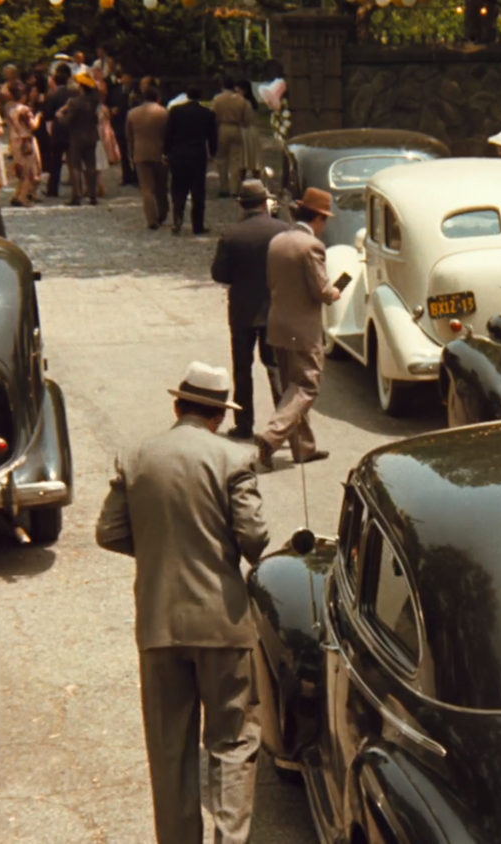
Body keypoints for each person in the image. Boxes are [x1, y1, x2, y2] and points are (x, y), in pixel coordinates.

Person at [95, 361, 268, 844]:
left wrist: (158, 548)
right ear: (219, 415)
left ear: (178, 407)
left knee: (169, 751)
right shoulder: (234, 458)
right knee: (233, 741)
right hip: (223, 625)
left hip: (159, 626)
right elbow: (254, 539)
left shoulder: (136, 456)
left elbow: (108, 531)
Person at [253, 188, 342, 469]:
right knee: (306, 386)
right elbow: (321, 291)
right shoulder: (311, 246)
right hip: (303, 328)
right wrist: (335, 292)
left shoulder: (277, 241)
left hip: (278, 323)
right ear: (318, 218)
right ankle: (271, 435)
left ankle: (303, 448)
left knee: (292, 387)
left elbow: (271, 281)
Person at [211, 179, 289, 438]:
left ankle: (244, 424)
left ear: (241, 205)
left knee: (242, 369)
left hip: (242, 310)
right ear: (265, 202)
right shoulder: (282, 230)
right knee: (276, 368)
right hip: (274, 308)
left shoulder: (231, 235)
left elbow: (219, 274)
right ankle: (283, 426)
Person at [163, 87, 217, 235]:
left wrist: (166, 152)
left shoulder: (175, 111)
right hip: (197, 154)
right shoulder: (207, 114)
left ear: (187, 96)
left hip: (178, 153)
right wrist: (213, 153)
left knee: (178, 188)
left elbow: (169, 133)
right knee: (198, 191)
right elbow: (212, 136)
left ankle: (177, 218)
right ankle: (197, 225)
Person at [125, 87, 169, 229]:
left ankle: (151, 218)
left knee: (146, 188)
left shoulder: (132, 113)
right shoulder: (164, 113)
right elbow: (169, 134)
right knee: (161, 186)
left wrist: (131, 154)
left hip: (140, 152)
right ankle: (163, 212)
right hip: (160, 152)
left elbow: (129, 136)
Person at [57, 71, 101, 206]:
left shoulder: (75, 102)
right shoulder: (94, 101)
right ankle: (93, 195)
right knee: (91, 165)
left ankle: (77, 195)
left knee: (75, 166)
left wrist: (60, 116)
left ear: (81, 87)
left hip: (77, 137)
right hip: (92, 135)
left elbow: (67, 121)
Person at [210, 77, 251, 198]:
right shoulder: (241, 100)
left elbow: (213, 116)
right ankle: (234, 188)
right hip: (236, 128)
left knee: (221, 159)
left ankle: (224, 187)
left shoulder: (217, 99)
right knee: (236, 160)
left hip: (222, 128)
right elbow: (247, 120)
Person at [5, 81, 42, 207]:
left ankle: (16, 194)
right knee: (28, 171)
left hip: (15, 140)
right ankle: (23, 197)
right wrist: (38, 117)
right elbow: (33, 126)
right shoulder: (24, 110)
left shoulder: (10, 109)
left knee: (20, 169)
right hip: (25, 141)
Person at [40, 64, 73, 198]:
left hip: (58, 129)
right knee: (74, 161)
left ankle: (53, 189)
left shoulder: (52, 96)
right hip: (72, 129)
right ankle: (78, 188)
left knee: (56, 161)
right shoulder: (73, 93)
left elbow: (47, 114)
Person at [110, 70, 138, 187]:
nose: (125, 79)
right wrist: (112, 110)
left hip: (132, 124)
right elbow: (110, 102)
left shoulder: (136, 91)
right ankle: (126, 176)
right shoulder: (116, 90)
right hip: (119, 124)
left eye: (127, 77)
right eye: (123, 76)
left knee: (134, 151)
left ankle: (136, 176)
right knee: (123, 152)